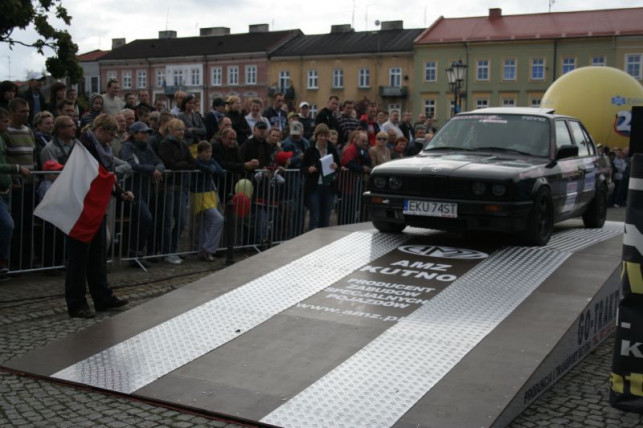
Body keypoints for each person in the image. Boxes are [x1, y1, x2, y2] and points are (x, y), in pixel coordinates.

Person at [66, 114, 132, 318]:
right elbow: (92, 174)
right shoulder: (83, 147)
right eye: (111, 134)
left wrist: (119, 192)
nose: (112, 139)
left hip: (96, 207)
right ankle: (77, 303)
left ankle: (102, 297)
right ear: (101, 130)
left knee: (97, 256)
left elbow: (106, 176)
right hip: (81, 208)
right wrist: (116, 190)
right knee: (78, 258)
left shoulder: (103, 148)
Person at [119, 122, 165, 266]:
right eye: (142, 132)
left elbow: (160, 163)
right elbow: (130, 165)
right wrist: (152, 170)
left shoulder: (148, 147)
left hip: (146, 190)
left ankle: (136, 253)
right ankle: (134, 252)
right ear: (134, 134)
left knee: (142, 221)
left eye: (147, 132)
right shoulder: (128, 147)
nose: (145, 135)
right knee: (145, 218)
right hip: (132, 190)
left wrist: (157, 169)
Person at [157, 119, 198, 264]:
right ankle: (167, 251)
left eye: (182, 129)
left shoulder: (183, 144)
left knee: (181, 221)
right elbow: (170, 164)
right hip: (168, 187)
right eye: (178, 129)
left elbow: (192, 163)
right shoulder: (164, 144)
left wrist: (181, 165)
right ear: (171, 130)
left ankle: (173, 249)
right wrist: (183, 165)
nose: (181, 132)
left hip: (180, 188)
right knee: (167, 221)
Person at [5, 98, 37, 270]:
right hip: (15, 185)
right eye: (22, 111)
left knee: (27, 224)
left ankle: (27, 262)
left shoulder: (29, 131)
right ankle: (14, 263)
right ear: (11, 113)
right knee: (16, 224)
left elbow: (33, 157)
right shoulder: (6, 132)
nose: (26, 114)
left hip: (30, 184)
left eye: (27, 111)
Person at [0, 107, 31, 281]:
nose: (7, 124)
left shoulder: (2, 138)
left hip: (5, 189)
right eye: (5, 121)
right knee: (7, 225)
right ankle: (2, 261)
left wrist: (11, 178)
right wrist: (17, 169)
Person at [302, 124, 340, 230]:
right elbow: (303, 167)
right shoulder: (310, 150)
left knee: (326, 218)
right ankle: (313, 243)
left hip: (329, 186)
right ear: (316, 136)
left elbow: (339, 165)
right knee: (315, 216)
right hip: (314, 187)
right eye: (320, 135)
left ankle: (324, 243)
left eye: (325, 135)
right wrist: (309, 169)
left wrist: (336, 166)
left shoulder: (332, 149)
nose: (323, 138)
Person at [191, 141, 225, 261]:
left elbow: (220, 172)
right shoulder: (196, 162)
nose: (209, 154)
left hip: (210, 194)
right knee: (218, 219)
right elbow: (208, 169)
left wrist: (212, 168)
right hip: (200, 195)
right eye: (206, 152)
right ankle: (208, 248)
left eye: (210, 152)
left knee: (205, 224)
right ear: (199, 153)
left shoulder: (211, 161)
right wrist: (211, 168)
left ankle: (203, 249)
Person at [338, 130, 371, 225]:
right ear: (356, 140)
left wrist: (364, 168)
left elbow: (368, 162)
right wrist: (362, 168)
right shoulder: (350, 149)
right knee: (347, 208)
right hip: (348, 184)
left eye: (366, 141)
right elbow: (349, 164)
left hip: (357, 184)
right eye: (363, 141)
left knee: (355, 208)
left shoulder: (364, 150)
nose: (365, 143)